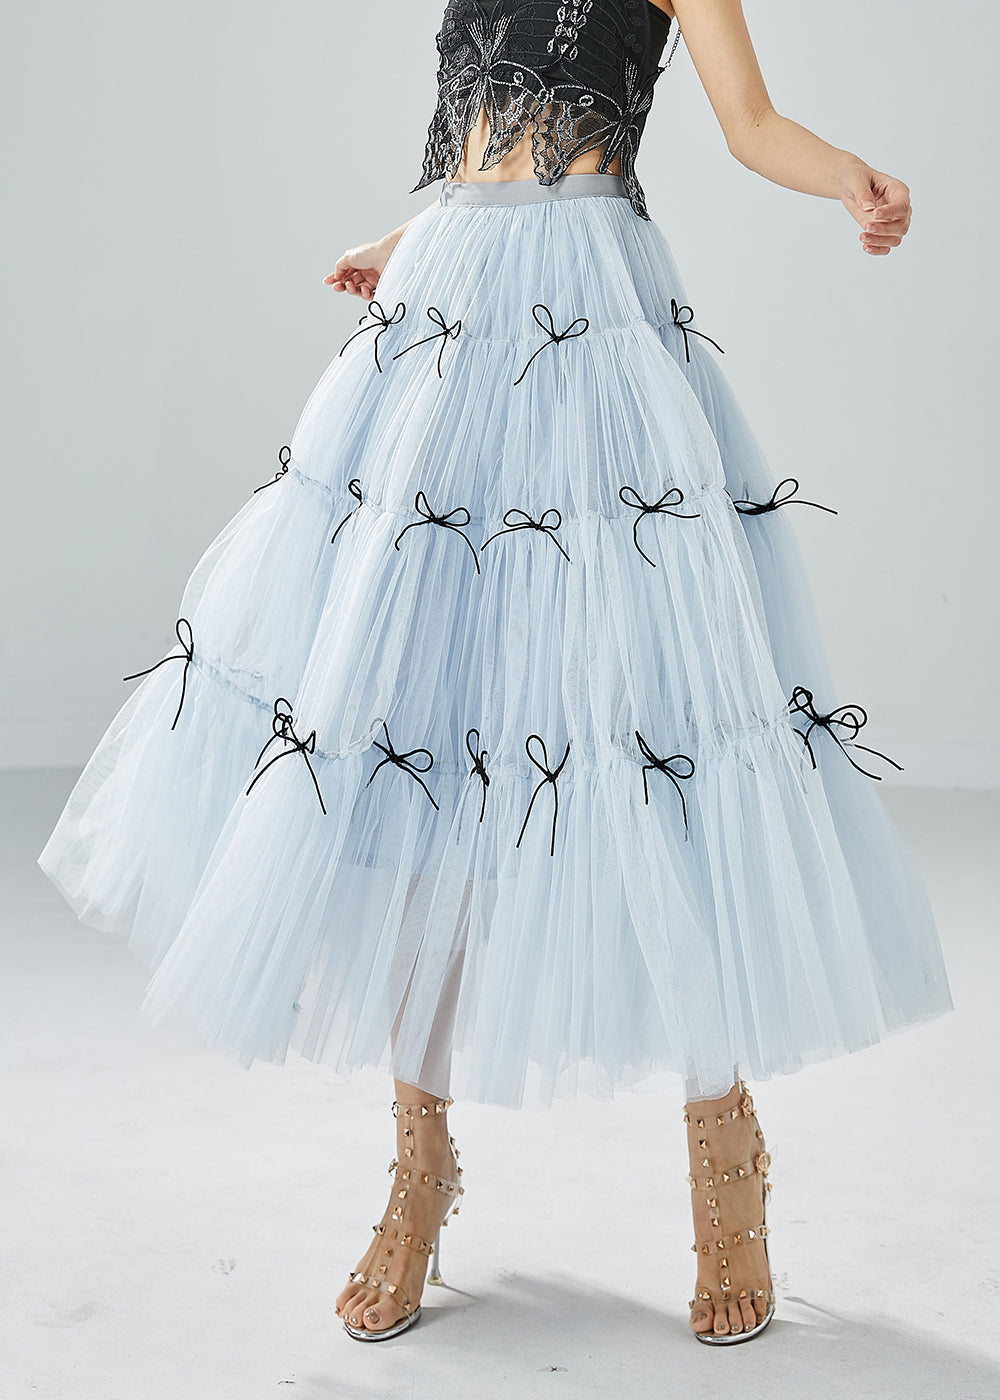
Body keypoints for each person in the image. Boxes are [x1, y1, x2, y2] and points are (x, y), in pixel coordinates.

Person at [37, 0, 953, 1351]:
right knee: (417, 738)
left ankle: (726, 1161)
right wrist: (403, 242)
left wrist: (855, 181)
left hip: (595, 332)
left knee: (652, 737)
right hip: (449, 317)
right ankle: (419, 1169)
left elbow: (749, 127)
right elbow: (486, 154)